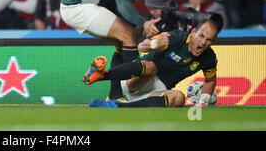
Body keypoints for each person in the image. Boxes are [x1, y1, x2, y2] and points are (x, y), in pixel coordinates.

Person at [60, 0, 167, 101]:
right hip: (77, 6)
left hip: (77, 5)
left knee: (123, 42)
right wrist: (143, 23)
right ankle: (134, 94)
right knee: (128, 35)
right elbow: (123, 4)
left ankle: (115, 95)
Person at [85, 19, 219, 108]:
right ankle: (102, 75)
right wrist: (155, 44)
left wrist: (203, 101)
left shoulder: (209, 58)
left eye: (209, 40)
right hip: (137, 78)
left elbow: (210, 80)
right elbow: (142, 46)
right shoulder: (177, 37)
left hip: (157, 91)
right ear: (194, 32)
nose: (203, 43)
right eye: (201, 36)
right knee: (152, 67)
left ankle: (118, 106)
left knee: (179, 98)